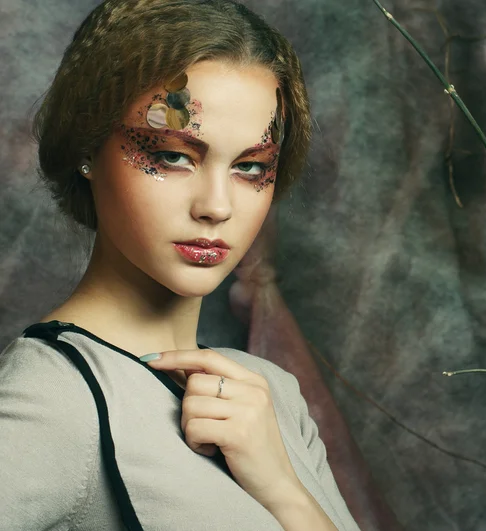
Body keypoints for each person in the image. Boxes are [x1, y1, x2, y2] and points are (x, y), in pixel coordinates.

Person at [0, 1, 361, 529]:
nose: (216, 206)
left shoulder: (270, 392)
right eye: (173, 155)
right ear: (87, 146)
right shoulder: (55, 397)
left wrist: (282, 486)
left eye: (250, 166)